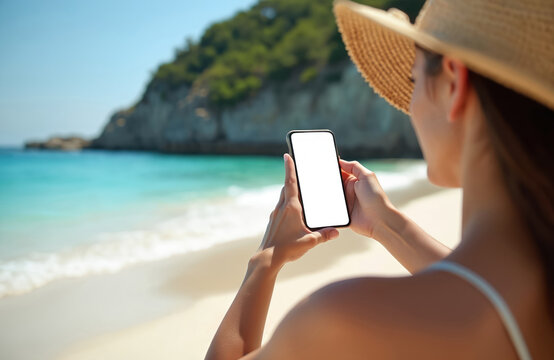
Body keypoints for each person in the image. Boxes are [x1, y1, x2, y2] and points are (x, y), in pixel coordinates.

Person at [206, 0, 554, 358]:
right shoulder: (533, 288)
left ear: (453, 83)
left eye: (414, 79)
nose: (410, 105)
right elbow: (480, 284)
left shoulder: (340, 321)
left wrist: (264, 261)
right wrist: (385, 224)